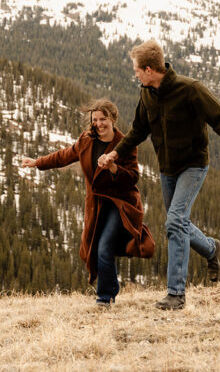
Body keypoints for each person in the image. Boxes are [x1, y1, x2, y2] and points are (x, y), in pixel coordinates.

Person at [98, 40, 220, 311]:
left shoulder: (190, 90)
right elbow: (138, 130)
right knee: (178, 222)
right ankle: (211, 249)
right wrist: (115, 153)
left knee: (174, 222)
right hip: (167, 168)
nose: (135, 74)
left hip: (193, 165)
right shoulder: (146, 93)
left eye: (137, 70)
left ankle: (176, 294)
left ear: (149, 69)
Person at [21, 98, 155, 307]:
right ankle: (107, 293)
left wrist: (113, 168)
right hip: (96, 206)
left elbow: (133, 178)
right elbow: (63, 156)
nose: (99, 124)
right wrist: (37, 162)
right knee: (92, 248)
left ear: (113, 119)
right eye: (95, 119)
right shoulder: (86, 140)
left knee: (103, 248)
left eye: (103, 119)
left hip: (120, 205)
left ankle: (105, 297)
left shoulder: (124, 143)